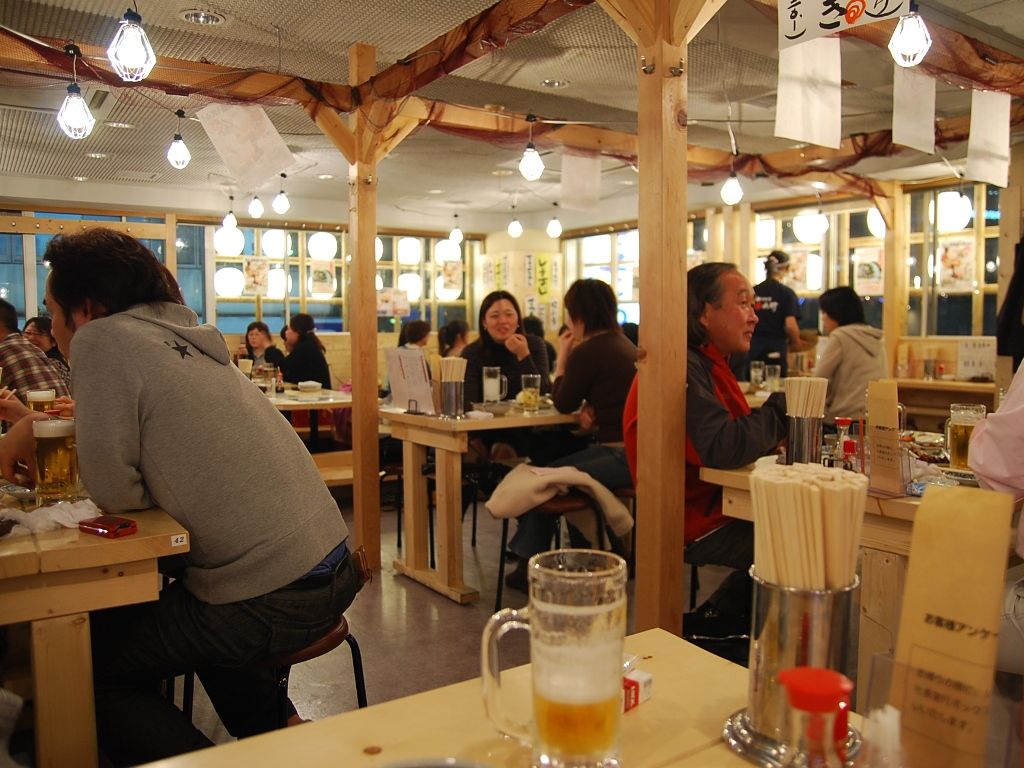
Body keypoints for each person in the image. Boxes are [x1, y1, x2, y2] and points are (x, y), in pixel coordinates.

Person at [0, 228, 359, 764]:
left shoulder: (101, 340)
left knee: (86, 665)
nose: (50, 328)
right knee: (193, 604)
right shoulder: (186, 335)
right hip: (334, 566)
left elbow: (116, 493)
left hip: (272, 597)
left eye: (53, 311)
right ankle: (281, 735)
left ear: (86, 308)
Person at [623, 262, 788, 637]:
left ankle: (718, 628)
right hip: (691, 518)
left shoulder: (707, 363)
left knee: (805, 534)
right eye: (743, 303)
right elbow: (720, 446)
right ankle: (726, 636)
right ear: (703, 312)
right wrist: (781, 410)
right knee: (804, 544)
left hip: (720, 504)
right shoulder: (680, 366)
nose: (754, 317)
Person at [505, 280, 637, 588]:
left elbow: (563, 401)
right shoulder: (623, 344)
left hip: (620, 454)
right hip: (634, 451)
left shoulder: (589, 350)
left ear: (578, 314)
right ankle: (593, 554)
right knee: (555, 470)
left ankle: (529, 561)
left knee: (546, 476)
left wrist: (563, 355)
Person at [814, 286, 888, 424]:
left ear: (836, 313)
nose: (822, 318)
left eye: (824, 312)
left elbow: (817, 380)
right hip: (876, 417)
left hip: (845, 419)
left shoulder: (840, 336)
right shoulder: (875, 337)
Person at [461, 291, 550, 404]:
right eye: (495, 316)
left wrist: (523, 355)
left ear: (518, 319)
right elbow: (468, 402)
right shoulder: (472, 353)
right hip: (486, 415)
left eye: (509, 314)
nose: (503, 321)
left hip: (527, 415)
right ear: (484, 322)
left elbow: (543, 393)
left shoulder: (534, 344)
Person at [748, 250, 808, 377]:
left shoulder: (753, 291)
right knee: (776, 385)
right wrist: (796, 342)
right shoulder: (786, 293)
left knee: (754, 383)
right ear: (785, 268)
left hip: (752, 348)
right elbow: (790, 324)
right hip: (776, 348)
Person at [0, 300, 70, 401]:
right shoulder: (30, 348)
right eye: (28, 333)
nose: (31, 338)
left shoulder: (5, 349)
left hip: (39, 411)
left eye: (39, 334)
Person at [280, 313, 332, 390]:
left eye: (289, 329)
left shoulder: (305, 348)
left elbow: (282, 368)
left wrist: (270, 349)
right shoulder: (309, 345)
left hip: (318, 394)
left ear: (297, 332)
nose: (286, 332)